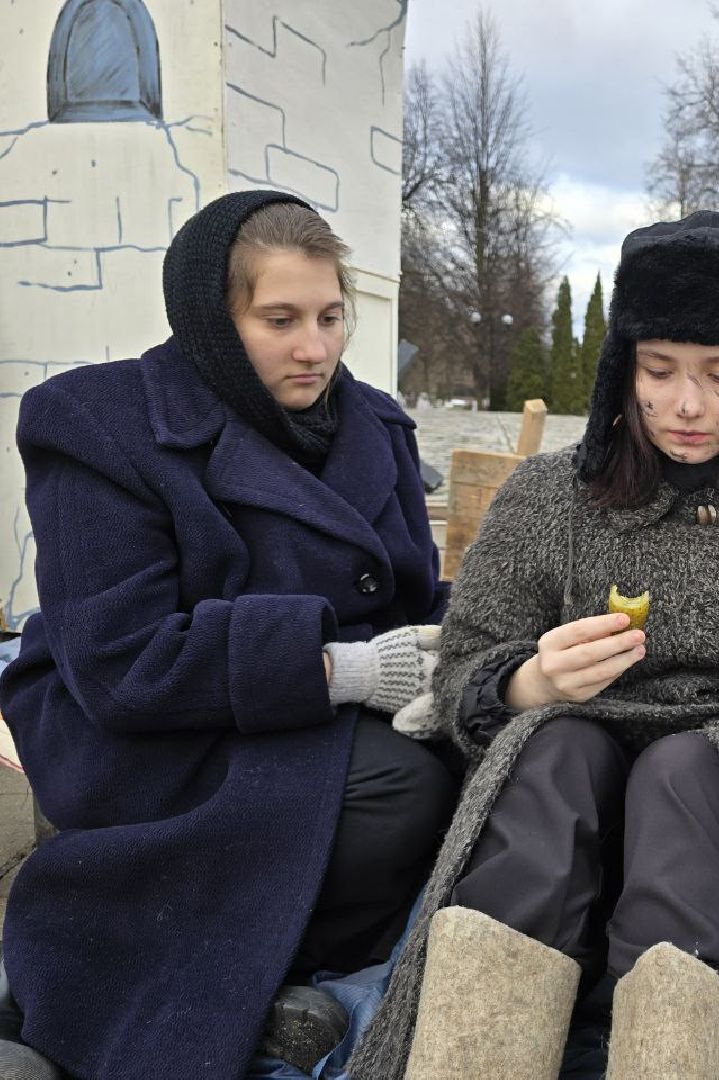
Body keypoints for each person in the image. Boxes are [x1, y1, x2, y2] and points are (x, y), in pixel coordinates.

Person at [348, 211, 719, 1080]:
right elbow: (465, 666)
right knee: (557, 748)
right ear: (623, 369)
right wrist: (529, 682)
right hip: (571, 813)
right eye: (659, 371)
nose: (688, 405)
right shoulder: (548, 502)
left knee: (687, 771)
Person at [0, 190, 458, 1079]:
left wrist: (475, 664)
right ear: (214, 321)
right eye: (279, 318)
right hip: (149, 727)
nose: (314, 347)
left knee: (492, 764)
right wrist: (347, 669)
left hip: (307, 713)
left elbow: (414, 593)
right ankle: (204, 972)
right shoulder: (98, 425)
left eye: (330, 316)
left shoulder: (376, 427)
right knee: (397, 795)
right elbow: (123, 659)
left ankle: (305, 978)